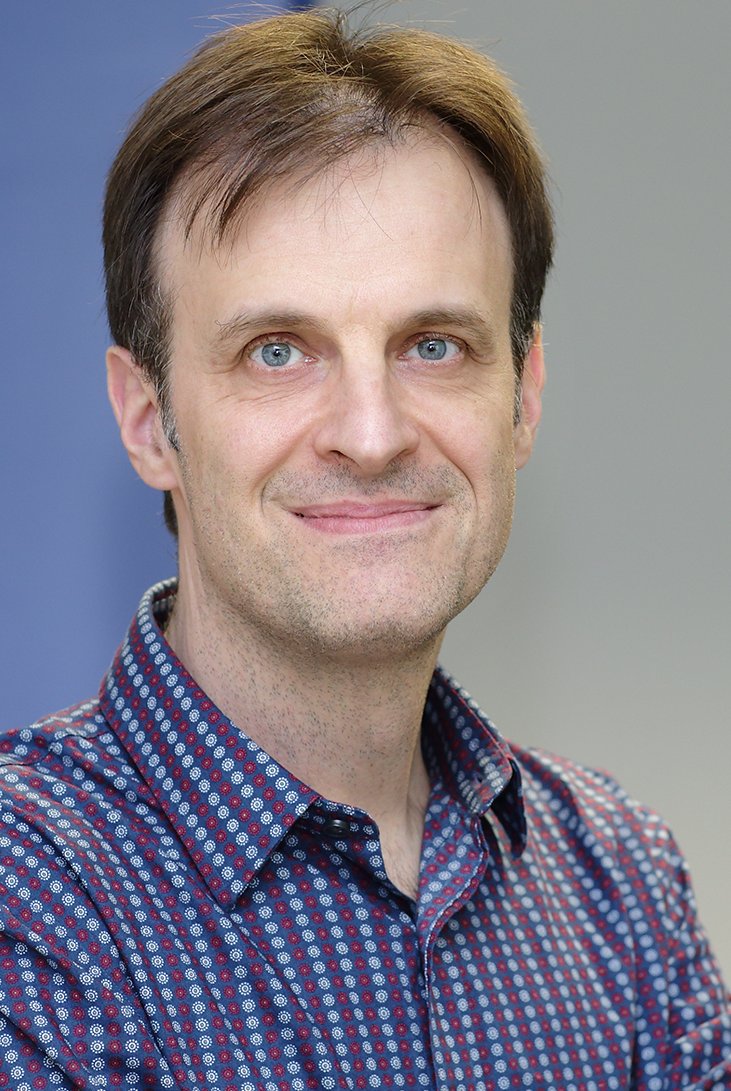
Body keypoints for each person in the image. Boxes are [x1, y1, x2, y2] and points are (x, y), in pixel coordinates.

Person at [0, 8, 728, 1089]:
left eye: (432, 345)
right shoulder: (27, 903)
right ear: (149, 419)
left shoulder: (622, 886)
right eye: (277, 351)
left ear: (523, 395)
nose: (373, 433)